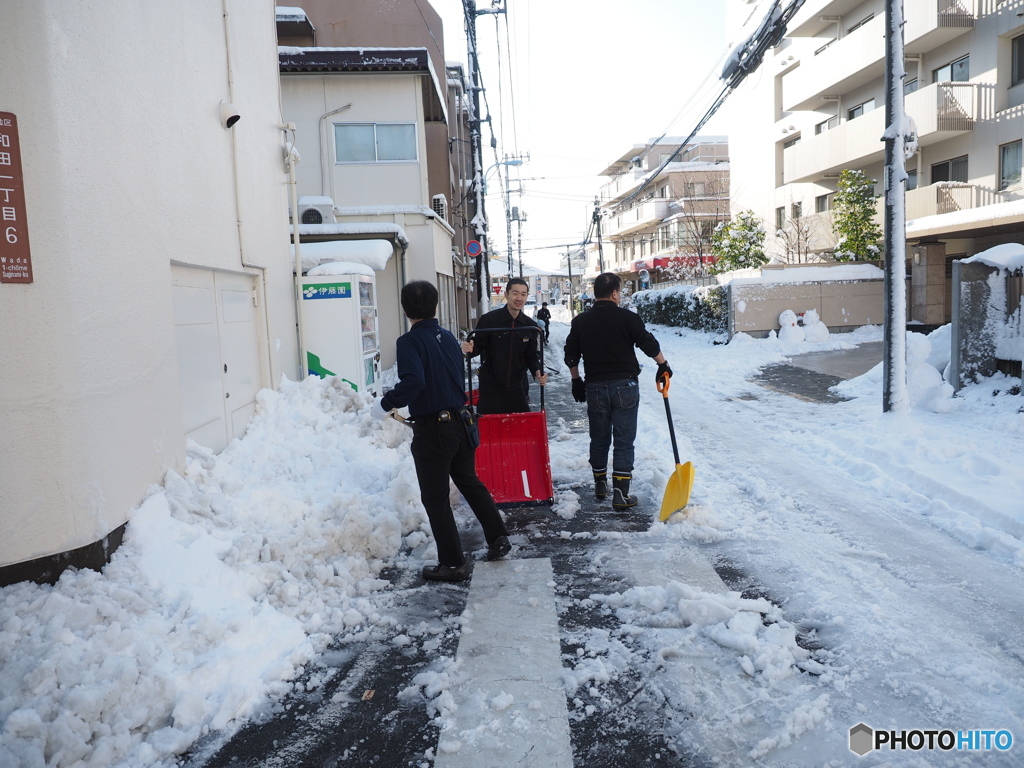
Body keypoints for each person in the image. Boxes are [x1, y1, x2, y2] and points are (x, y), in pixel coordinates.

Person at [372, 280, 511, 582]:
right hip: (462, 423)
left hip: (434, 430)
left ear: (405, 308)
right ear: (435, 305)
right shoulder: (447, 337)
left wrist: (384, 404)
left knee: (435, 498)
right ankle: (498, 536)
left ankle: (452, 563)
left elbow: (414, 383)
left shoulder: (409, 342)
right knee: (469, 482)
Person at [563, 272, 671, 510]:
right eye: (620, 292)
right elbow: (647, 342)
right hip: (625, 386)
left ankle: (600, 484)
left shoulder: (581, 321)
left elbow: (571, 352)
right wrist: (662, 364)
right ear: (614, 293)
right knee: (624, 441)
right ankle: (621, 494)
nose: (620, 296)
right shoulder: (627, 318)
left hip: (595, 387)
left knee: (599, 438)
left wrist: (576, 380)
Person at [461, 277, 549, 415]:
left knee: (521, 431)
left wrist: (537, 371)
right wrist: (469, 348)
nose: (519, 298)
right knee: (489, 432)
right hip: (490, 387)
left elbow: (531, 357)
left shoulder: (530, 326)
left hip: (517, 387)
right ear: (506, 294)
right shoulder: (489, 320)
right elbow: (476, 347)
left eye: (523, 294)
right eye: (515, 293)